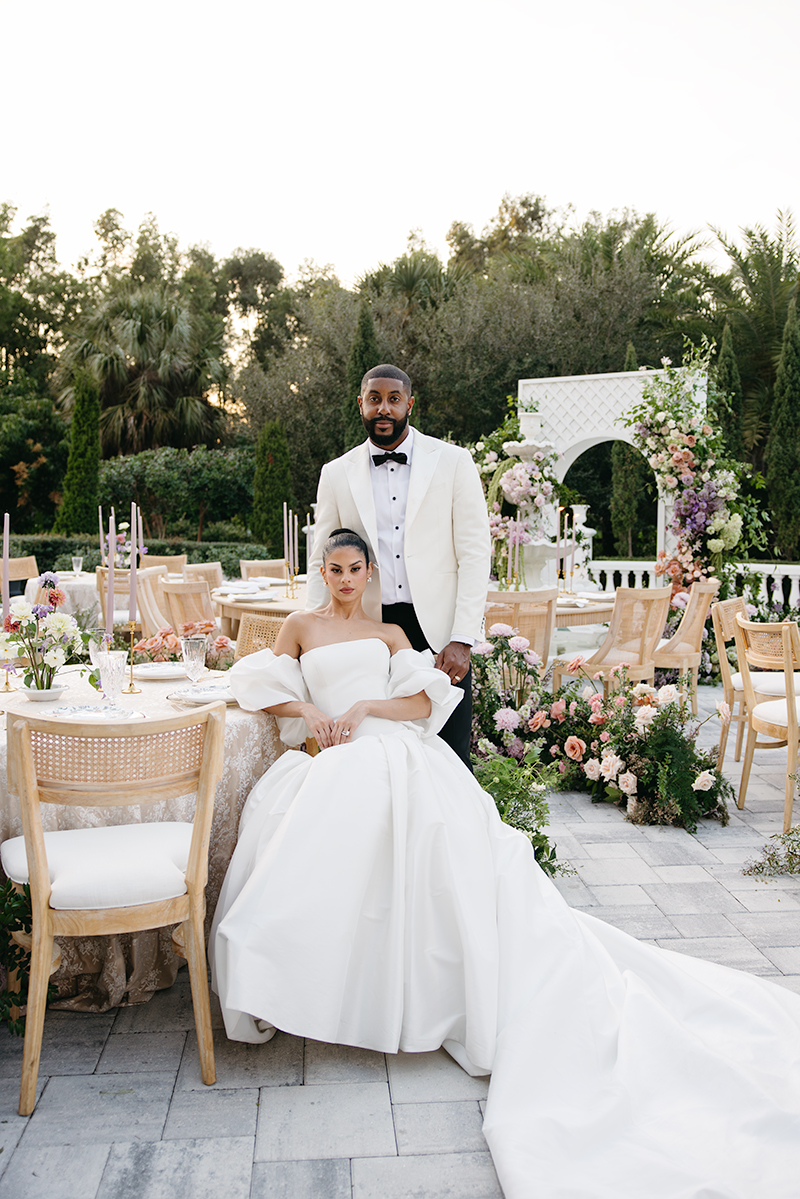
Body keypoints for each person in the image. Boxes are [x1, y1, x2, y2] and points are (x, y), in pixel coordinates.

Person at [212, 529, 800, 1199]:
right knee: (312, 849)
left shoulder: (389, 634)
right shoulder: (299, 625)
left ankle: (418, 996)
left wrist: (367, 704)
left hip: (395, 752)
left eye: (356, 568)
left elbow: (423, 701)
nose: (345, 578)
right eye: (335, 568)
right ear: (322, 570)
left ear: (370, 572)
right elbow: (257, 682)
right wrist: (312, 711)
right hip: (337, 759)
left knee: (443, 854)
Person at [305, 364, 491, 768]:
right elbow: (322, 558)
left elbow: (476, 554)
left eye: (393, 399)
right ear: (361, 405)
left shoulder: (454, 462)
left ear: (410, 402)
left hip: (440, 632)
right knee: (375, 750)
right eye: (374, 399)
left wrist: (462, 637)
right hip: (366, 632)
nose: (384, 408)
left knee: (451, 752)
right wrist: (313, 634)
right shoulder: (336, 473)